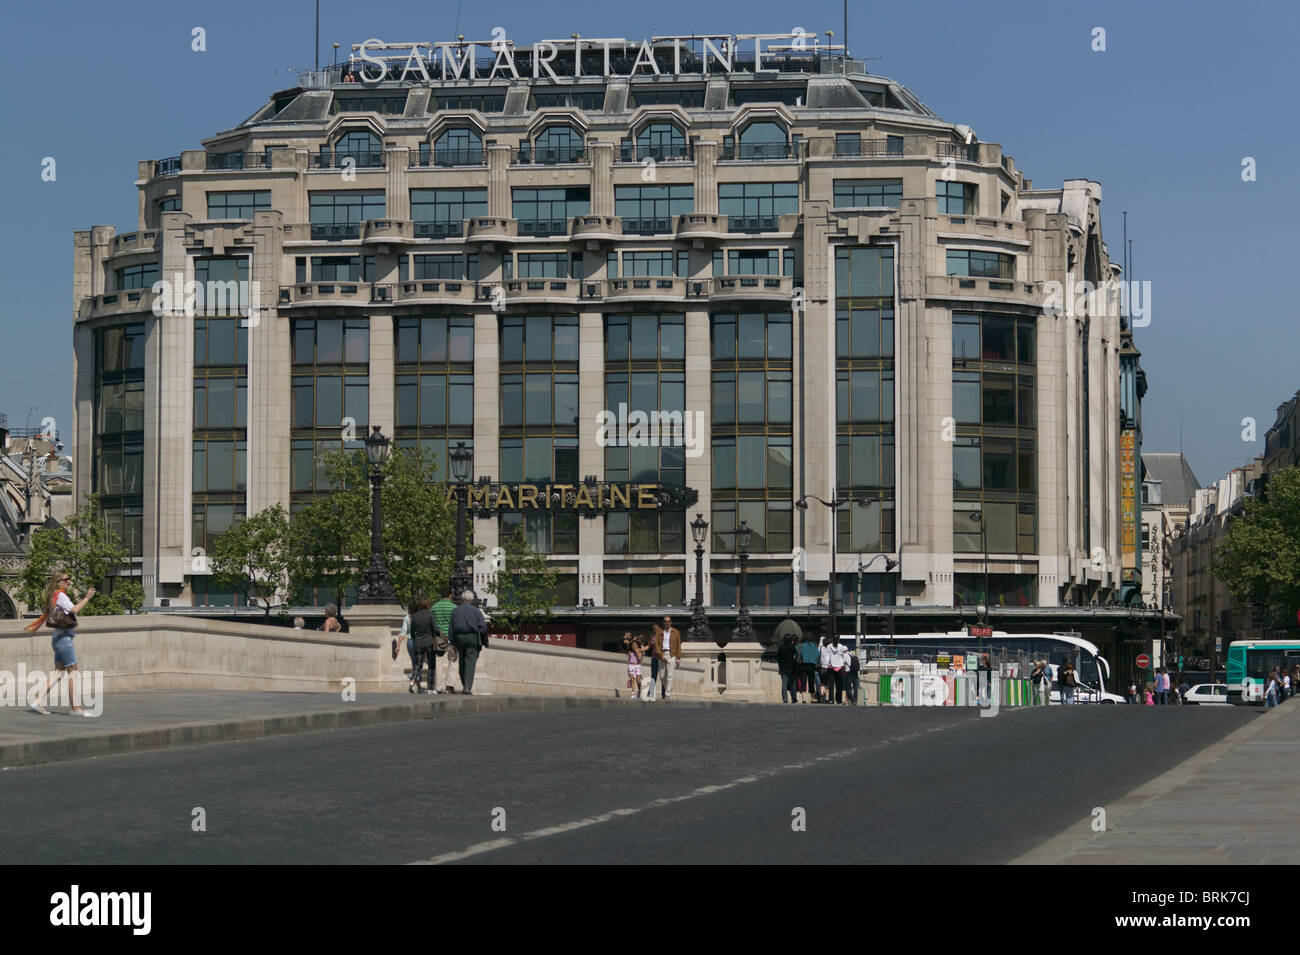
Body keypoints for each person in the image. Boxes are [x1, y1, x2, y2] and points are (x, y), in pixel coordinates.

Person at [24, 572, 96, 716]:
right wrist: (87, 597)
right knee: (73, 672)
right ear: (59, 582)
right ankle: (75, 708)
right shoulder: (61, 596)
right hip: (64, 639)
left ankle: (38, 701)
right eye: (66, 579)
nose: (69, 581)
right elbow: (74, 610)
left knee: (59, 672)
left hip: (57, 638)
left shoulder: (54, 596)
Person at [450, 590, 487, 694]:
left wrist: (452, 642)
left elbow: (451, 628)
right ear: (471, 600)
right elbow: (483, 628)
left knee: (462, 660)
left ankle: (464, 684)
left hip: (459, 637)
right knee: (470, 662)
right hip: (472, 637)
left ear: (462, 599)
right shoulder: (476, 611)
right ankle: (467, 687)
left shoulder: (455, 611)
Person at [433, 590, 460, 694]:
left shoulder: (434, 607)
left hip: (439, 637)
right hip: (451, 637)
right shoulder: (454, 608)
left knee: (438, 661)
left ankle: (439, 687)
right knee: (453, 660)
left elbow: (432, 621)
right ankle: (450, 684)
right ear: (450, 595)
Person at [408, 598, 437, 693]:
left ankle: (412, 682)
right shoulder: (430, 615)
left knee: (418, 664)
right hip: (429, 642)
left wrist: (415, 638)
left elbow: (412, 631)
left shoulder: (414, 616)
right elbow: (435, 629)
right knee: (431, 665)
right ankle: (430, 688)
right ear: (427, 605)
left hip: (418, 642)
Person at [654, 615, 682, 700]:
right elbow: (657, 645)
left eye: (669, 621)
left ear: (671, 622)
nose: (667, 623)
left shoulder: (676, 632)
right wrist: (661, 655)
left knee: (670, 676)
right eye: (665, 621)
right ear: (663, 622)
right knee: (662, 676)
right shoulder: (660, 633)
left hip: (672, 654)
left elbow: (678, 645)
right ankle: (668, 688)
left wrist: (678, 658)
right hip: (662, 654)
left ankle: (667, 694)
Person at [777, 632, 800, 703]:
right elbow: (796, 657)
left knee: (784, 684)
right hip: (791, 668)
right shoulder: (792, 648)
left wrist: (780, 667)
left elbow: (778, 658)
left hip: (783, 668)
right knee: (792, 684)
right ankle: (793, 698)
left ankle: (785, 698)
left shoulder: (781, 647)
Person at [798, 633, 820, 702]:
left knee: (803, 682)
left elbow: (796, 652)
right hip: (812, 666)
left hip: (803, 665)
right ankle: (812, 698)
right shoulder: (815, 646)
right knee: (811, 682)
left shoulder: (800, 645)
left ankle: (804, 699)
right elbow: (818, 655)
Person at [827, 635, 849, 704]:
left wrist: (825, 666)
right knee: (839, 685)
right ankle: (838, 700)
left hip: (831, 667)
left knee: (831, 685)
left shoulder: (829, 646)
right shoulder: (841, 646)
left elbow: (827, 656)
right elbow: (846, 650)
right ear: (839, 639)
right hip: (839, 667)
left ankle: (831, 699)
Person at [624, 633, 644, 699]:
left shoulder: (639, 651)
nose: (634, 646)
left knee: (638, 681)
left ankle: (639, 690)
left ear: (637, 646)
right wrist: (628, 668)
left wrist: (637, 652)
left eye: (635, 645)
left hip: (637, 666)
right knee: (632, 680)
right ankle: (633, 693)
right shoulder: (630, 652)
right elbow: (629, 660)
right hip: (631, 666)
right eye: (632, 645)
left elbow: (640, 659)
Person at [818, 637, 833, 703]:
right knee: (827, 683)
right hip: (829, 667)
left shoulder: (821, 648)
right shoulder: (830, 649)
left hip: (822, 668)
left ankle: (822, 693)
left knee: (822, 682)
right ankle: (826, 697)